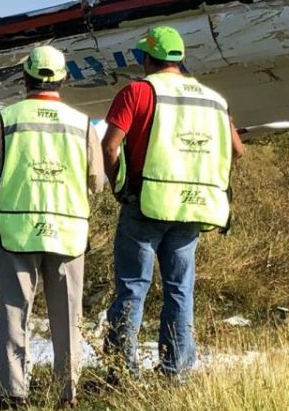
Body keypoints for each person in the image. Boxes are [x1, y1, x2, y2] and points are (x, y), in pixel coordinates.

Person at [101, 25, 244, 380]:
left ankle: (122, 372)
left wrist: (119, 185)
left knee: (133, 287)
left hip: (145, 203)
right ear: (180, 59)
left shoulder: (138, 91)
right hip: (193, 208)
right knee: (180, 291)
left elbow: (109, 146)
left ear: (148, 58)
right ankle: (175, 371)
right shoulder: (214, 99)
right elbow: (236, 151)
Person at [0, 45, 105, 410]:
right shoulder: (82, 124)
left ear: (25, 78)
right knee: (68, 315)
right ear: (64, 79)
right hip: (68, 232)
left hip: (18, 230)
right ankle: (68, 393)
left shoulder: (8, 117)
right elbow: (96, 182)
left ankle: (15, 393)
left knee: (15, 311)